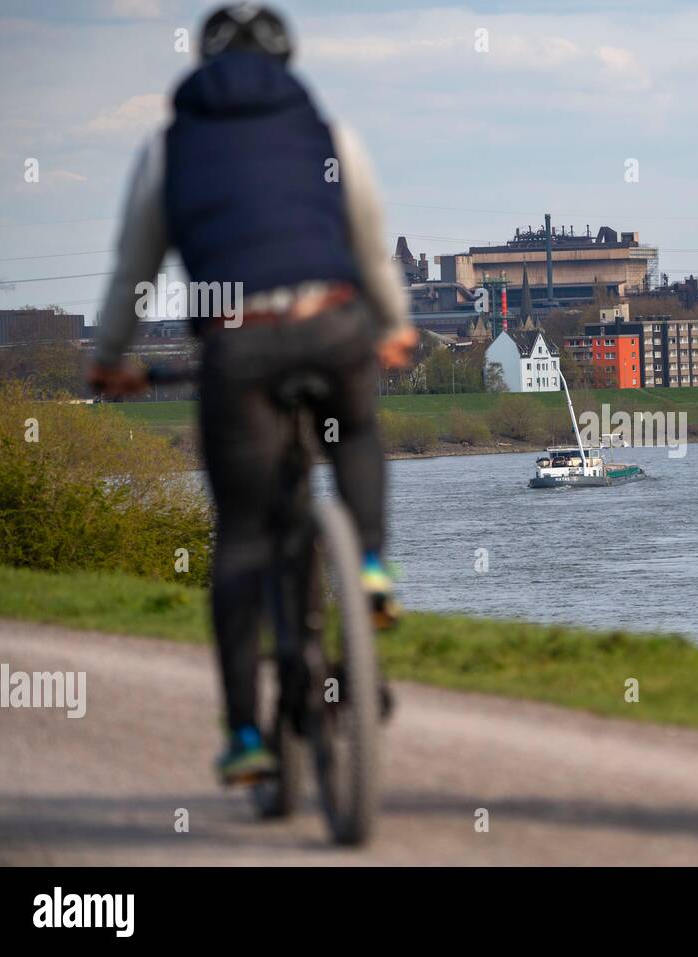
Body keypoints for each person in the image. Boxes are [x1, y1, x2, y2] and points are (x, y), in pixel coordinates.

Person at [88, 4, 418, 784]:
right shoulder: (329, 137)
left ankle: (245, 735)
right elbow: (370, 243)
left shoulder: (170, 148)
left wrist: (109, 358)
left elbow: (134, 268)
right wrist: (396, 325)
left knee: (240, 538)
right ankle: (369, 563)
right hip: (331, 325)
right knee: (357, 432)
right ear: (288, 64)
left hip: (236, 343)